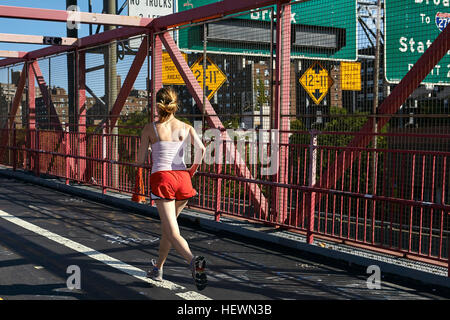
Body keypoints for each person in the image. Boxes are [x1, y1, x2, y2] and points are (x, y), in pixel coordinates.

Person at [136, 87, 207, 291]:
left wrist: (150, 150)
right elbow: (201, 149)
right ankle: (158, 268)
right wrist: (192, 169)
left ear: (157, 104)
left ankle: (193, 262)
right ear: (176, 103)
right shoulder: (186, 127)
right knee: (168, 229)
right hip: (183, 179)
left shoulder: (151, 128)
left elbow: (139, 161)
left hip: (163, 179)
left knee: (173, 231)